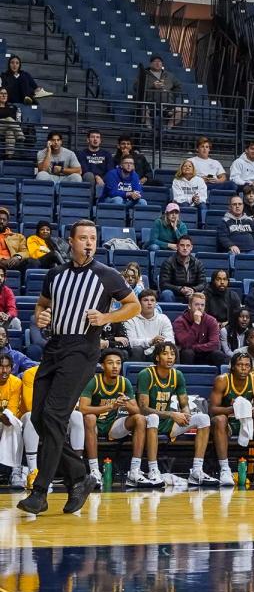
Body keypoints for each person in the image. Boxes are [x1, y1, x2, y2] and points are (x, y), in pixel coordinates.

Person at [17, 220, 140, 516]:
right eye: (83, 238)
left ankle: (39, 493)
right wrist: (42, 317)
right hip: (54, 347)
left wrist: (107, 318)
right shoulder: (56, 274)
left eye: (93, 238)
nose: (88, 243)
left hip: (83, 349)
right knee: (39, 419)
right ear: (70, 242)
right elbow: (42, 305)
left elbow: (133, 305)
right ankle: (80, 477)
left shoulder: (106, 275)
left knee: (54, 415)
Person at [136, 342, 217, 486]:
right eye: (165, 353)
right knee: (153, 417)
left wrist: (186, 415)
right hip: (147, 422)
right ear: (156, 357)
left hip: (167, 422)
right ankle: (153, 470)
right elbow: (143, 409)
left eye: (172, 354)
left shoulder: (177, 375)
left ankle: (197, 471)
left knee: (203, 419)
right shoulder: (146, 374)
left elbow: (184, 404)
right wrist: (173, 415)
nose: (170, 357)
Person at [79, 349, 152, 488]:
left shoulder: (124, 383)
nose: (115, 367)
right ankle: (94, 470)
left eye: (118, 363)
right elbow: (82, 408)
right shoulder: (93, 381)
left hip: (112, 426)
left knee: (140, 419)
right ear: (102, 365)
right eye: (110, 363)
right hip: (91, 426)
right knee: (89, 418)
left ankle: (134, 471)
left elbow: (138, 410)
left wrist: (126, 404)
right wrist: (110, 407)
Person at [209, 351, 254, 487]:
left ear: (251, 368)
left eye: (247, 365)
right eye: (240, 365)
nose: (243, 368)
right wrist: (233, 409)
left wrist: (252, 410)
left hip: (246, 421)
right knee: (220, 420)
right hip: (227, 423)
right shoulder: (222, 380)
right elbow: (213, 409)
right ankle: (225, 469)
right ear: (233, 367)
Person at [123, 290, 173, 362]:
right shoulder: (131, 319)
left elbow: (170, 340)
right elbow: (131, 342)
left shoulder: (163, 318)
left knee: (171, 349)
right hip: (139, 353)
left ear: (156, 303)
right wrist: (151, 341)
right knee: (137, 349)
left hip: (158, 351)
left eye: (152, 300)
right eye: (146, 300)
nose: (149, 303)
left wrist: (160, 343)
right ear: (139, 303)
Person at [173, 293, 222, 366]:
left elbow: (214, 344)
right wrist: (196, 323)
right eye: (197, 304)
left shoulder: (211, 321)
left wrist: (194, 347)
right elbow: (185, 344)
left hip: (206, 353)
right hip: (188, 355)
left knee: (218, 354)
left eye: (202, 305)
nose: (200, 308)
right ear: (189, 306)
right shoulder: (179, 322)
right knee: (188, 352)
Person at [158, 236, 206, 304]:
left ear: (191, 247)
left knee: (205, 294)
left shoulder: (198, 263)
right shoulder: (168, 262)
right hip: (175, 294)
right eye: (182, 245)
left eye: (188, 246)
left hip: (192, 293)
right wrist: (180, 289)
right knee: (166, 293)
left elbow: (203, 283)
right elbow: (164, 284)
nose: (185, 248)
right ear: (177, 247)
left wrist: (193, 289)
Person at [171, 160, 208, 224]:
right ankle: (185, 225)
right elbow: (178, 198)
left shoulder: (200, 180)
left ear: (193, 169)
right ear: (181, 169)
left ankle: (201, 226)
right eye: (185, 166)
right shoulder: (176, 181)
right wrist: (191, 199)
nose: (187, 167)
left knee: (203, 206)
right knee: (184, 204)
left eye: (190, 166)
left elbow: (203, 196)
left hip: (197, 203)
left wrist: (197, 200)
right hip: (182, 204)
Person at [0, 208, 30, 273]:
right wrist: (2, 260)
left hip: (13, 263)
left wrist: (17, 257)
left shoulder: (18, 237)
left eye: (4, 220)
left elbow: (25, 252)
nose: (1, 221)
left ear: (7, 222)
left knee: (32, 261)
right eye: (0, 219)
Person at [0, 88, 23, 158]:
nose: (4, 95)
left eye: (5, 93)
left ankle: (9, 156)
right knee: (9, 119)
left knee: (10, 132)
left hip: (9, 129)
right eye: (1, 93)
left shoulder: (13, 107)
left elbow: (19, 119)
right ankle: (20, 135)